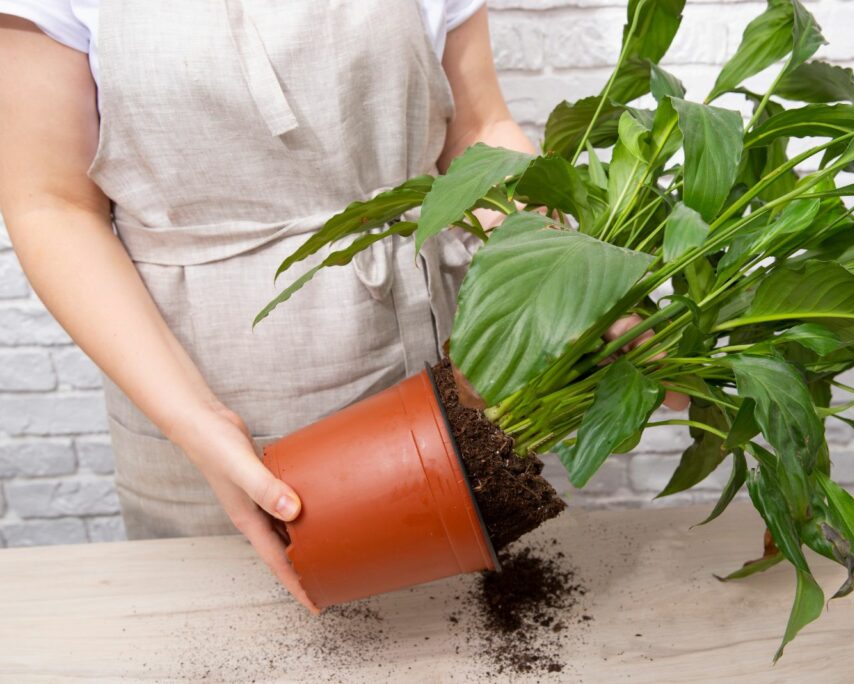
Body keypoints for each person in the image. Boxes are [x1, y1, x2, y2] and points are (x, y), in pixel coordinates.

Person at [0, 1, 686, 613]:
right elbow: (51, 201)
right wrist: (195, 423)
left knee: (441, 624)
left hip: (417, 363)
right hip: (185, 389)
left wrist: (572, 278)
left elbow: (478, 127)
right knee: (217, 629)